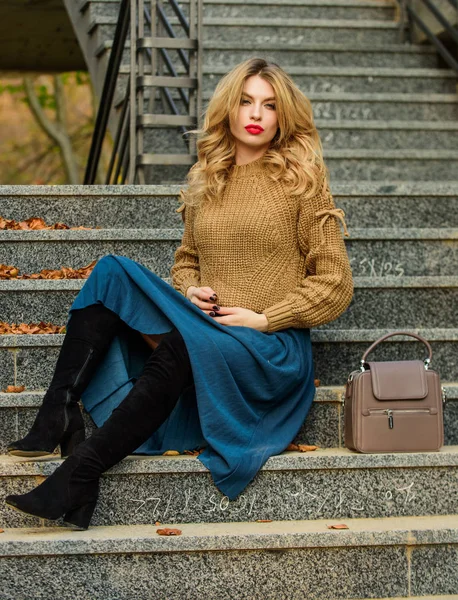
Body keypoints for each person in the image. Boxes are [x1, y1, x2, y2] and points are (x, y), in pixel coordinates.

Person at [5, 57, 354, 530]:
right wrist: (191, 289)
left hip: (269, 349)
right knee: (112, 272)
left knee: (182, 345)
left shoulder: (301, 182)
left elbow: (335, 285)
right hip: (209, 329)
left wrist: (264, 317)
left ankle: (81, 472)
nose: (256, 114)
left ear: (283, 116)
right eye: (246, 102)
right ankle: (57, 415)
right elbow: (186, 259)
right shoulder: (208, 176)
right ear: (228, 111)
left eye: (269, 105)